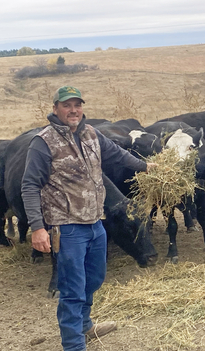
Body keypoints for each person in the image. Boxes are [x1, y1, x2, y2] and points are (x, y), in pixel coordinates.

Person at [21, 86, 156, 351]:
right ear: (55, 109)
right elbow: (29, 186)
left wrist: (146, 166)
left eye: (77, 105)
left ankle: (85, 325)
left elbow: (118, 154)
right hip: (66, 227)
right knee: (72, 288)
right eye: (67, 105)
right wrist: (37, 228)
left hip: (96, 222)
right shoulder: (43, 142)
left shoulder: (91, 133)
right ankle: (74, 345)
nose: (73, 110)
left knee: (94, 277)